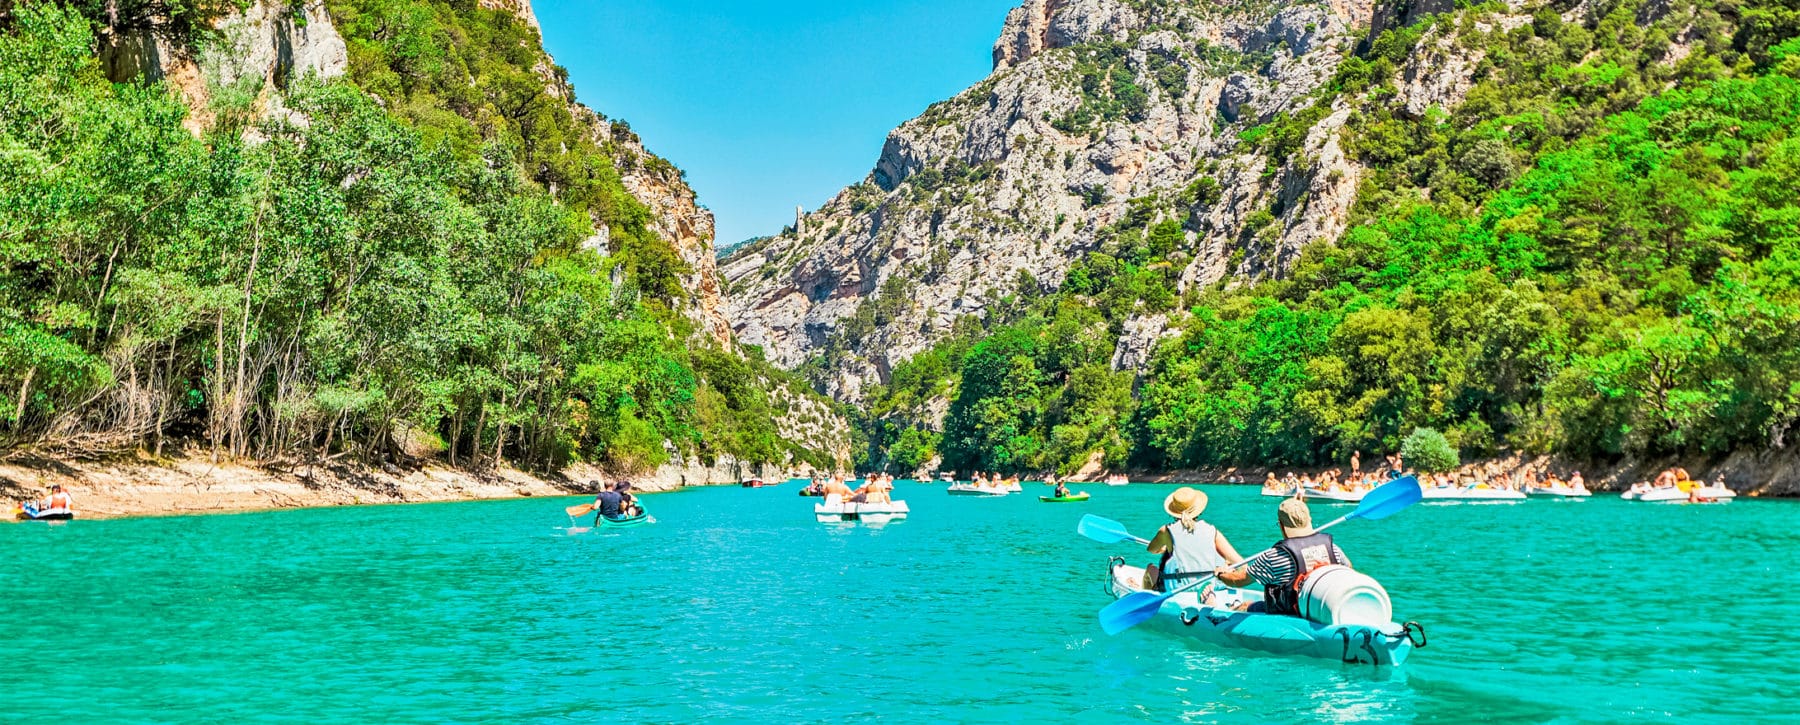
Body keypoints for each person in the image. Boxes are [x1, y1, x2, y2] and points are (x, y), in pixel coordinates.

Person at [1214, 497, 1352, 616]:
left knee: (1245, 606)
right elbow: (1348, 569)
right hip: (1322, 609)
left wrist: (1221, 574)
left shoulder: (1273, 557)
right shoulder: (1333, 549)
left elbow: (1238, 581)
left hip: (1290, 614)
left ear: (1281, 525)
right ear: (1309, 520)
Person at [1143, 487, 1244, 604]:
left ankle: (1148, 603)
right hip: (1210, 586)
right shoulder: (1212, 531)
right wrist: (1227, 567)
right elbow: (1241, 563)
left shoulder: (1166, 531)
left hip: (1177, 589)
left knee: (1151, 568)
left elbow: (1151, 549)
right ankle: (1210, 598)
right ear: (1198, 510)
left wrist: (1165, 548)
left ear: (1174, 511)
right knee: (1224, 564)